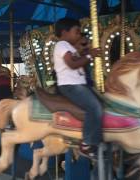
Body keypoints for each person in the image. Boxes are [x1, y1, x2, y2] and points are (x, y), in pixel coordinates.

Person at [53, 17, 103, 159]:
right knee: (95, 108)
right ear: (64, 32)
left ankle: (97, 137)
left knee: (100, 103)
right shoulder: (62, 45)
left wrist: (84, 52)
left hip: (78, 84)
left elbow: (77, 59)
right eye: (76, 32)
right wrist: (89, 55)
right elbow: (72, 64)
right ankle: (87, 144)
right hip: (70, 85)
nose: (78, 35)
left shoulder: (69, 47)